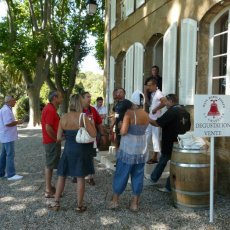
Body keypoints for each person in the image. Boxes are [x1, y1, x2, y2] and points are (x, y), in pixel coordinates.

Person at [48, 94, 97, 212]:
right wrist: (91, 123)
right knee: (80, 177)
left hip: (68, 149)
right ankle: (79, 206)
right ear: (80, 103)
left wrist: (68, 136)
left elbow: (59, 138)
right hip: (81, 150)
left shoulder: (63, 117)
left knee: (62, 176)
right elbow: (94, 134)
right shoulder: (83, 117)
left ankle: (56, 203)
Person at [109, 90, 149, 212]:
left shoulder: (129, 114)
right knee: (138, 175)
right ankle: (135, 204)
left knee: (122, 173)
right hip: (141, 149)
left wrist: (121, 125)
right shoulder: (145, 114)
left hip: (128, 149)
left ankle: (115, 201)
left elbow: (123, 132)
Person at [149, 94, 191, 192]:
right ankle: (155, 178)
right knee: (173, 164)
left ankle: (165, 185)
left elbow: (157, 123)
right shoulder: (186, 112)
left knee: (165, 162)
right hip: (181, 143)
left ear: (171, 101)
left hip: (170, 142)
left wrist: (147, 118)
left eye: (166, 102)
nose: (165, 104)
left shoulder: (171, 111)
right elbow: (188, 128)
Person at [81, 92, 106, 185]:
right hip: (81, 139)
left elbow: (99, 123)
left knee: (90, 157)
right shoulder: (78, 110)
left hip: (91, 139)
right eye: (87, 97)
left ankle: (90, 176)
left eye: (90, 97)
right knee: (80, 157)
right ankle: (78, 175)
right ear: (82, 99)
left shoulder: (93, 110)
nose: (89, 98)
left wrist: (103, 135)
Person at [41, 91, 63, 198]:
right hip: (51, 142)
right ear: (55, 98)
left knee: (50, 164)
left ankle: (49, 188)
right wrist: (56, 139)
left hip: (51, 141)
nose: (62, 98)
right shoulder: (50, 109)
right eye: (60, 97)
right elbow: (48, 127)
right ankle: (48, 189)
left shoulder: (51, 108)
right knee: (49, 165)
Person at [0, 95, 23, 181]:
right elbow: (8, 123)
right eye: (14, 100)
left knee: (3, 155)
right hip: (7, 136)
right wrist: (18, 122)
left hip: (5, 136)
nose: (15, 102)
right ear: (9, 101)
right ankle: (11, 174)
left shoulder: (5, 109)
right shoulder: (6, 110)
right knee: (10, 155)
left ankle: (1, 173)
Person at [145, 78, 165, 164]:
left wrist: (156, 109)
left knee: (155, 138)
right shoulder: (153, 94)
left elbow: (164, 102)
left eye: (149, 85)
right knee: (147, 136)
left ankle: (155, 157)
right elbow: (149, 103)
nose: (148, 87)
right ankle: (144, 155)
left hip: (156, 119)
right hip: (151, 118)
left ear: (154, 85)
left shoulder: (159, 93)